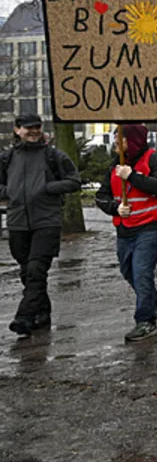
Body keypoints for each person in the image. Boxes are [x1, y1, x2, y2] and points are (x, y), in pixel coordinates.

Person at [1, 113, 82, 337]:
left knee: (36, 269)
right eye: (29, 128)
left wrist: (48, 188)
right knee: (27, 272)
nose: (34, 131)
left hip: (47, 221)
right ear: (17, 130)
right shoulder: (7, 158)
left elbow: (74, 181)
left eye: (37, 127)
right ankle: (43, 312)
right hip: (17, 222)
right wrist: (10, 192)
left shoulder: (54, 156)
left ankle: (24, 317)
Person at [95, 124, 157, 342]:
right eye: (115, 138)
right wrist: (115, 208)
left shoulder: (155, 160)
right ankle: (153, 299)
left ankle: (145, 320)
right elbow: (101, 196)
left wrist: (132, 176)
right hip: (125, 227)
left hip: (150, 226)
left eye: (120, 138)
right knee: (127, 270)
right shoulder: (114, 166)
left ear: (133, 140)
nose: (116, 142)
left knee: (141, 272)